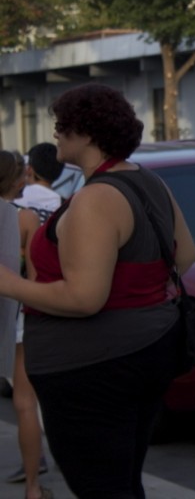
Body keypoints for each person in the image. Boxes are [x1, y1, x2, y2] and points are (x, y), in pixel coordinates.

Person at [0, 83, 195, 499]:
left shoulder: (95, 199)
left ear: (87, 133)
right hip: (150, 347)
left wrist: (11, 284)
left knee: (101, 487)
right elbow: (184, 256)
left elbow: (84, 298)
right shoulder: (149, 180)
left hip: (93, 367)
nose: (55, 134)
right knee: (123, 481)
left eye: (62, 126)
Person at [0, 151, 52, 499]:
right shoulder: (25, 218)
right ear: (16, 180)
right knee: (24, 402)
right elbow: (35, 279)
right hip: (17, 314)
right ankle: (33, 487)